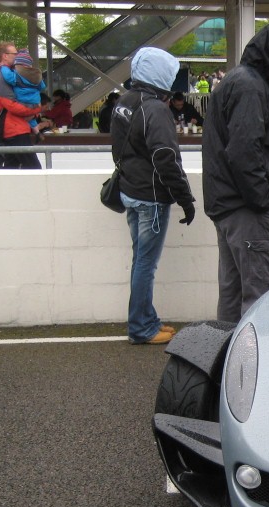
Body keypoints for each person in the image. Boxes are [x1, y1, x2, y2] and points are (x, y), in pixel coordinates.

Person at [202, 23, 269, 324]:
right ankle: (256, 369)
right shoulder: (250, 86)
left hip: (228, 207)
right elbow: (244, 151)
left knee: (232, 296)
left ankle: (224, 365)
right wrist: (263, 202)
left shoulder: (238, 80)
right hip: (247, 210)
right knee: (260, 299)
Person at [111, 47, 196, 346]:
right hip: (151, 198)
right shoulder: (156, 109)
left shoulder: (125, 101)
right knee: (146, 264)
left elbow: (119, 148)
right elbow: (166, 158)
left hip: (130, 192)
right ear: (160, 75)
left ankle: (147, 320)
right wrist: (186, 198)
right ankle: (141, 328)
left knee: (140, 261)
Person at [0, 41, 43, 169]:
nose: (17, 56)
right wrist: (37, 109)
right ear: (5, 56)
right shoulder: (1, 76)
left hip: (14, 129)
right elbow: (11, 105)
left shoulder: (3, 74)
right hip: (15, 130)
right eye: (14, 53)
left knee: (11, 169)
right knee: (34, 168)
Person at [0, 49, 44, 133]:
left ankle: (34, 130)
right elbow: (42, 86)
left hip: (23, 102)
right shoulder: (37, 75)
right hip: (35, 102)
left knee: (21, 119)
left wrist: (3, 67)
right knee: (31, 118)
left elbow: (8, 77)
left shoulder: (18, 76)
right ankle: (36, 131)